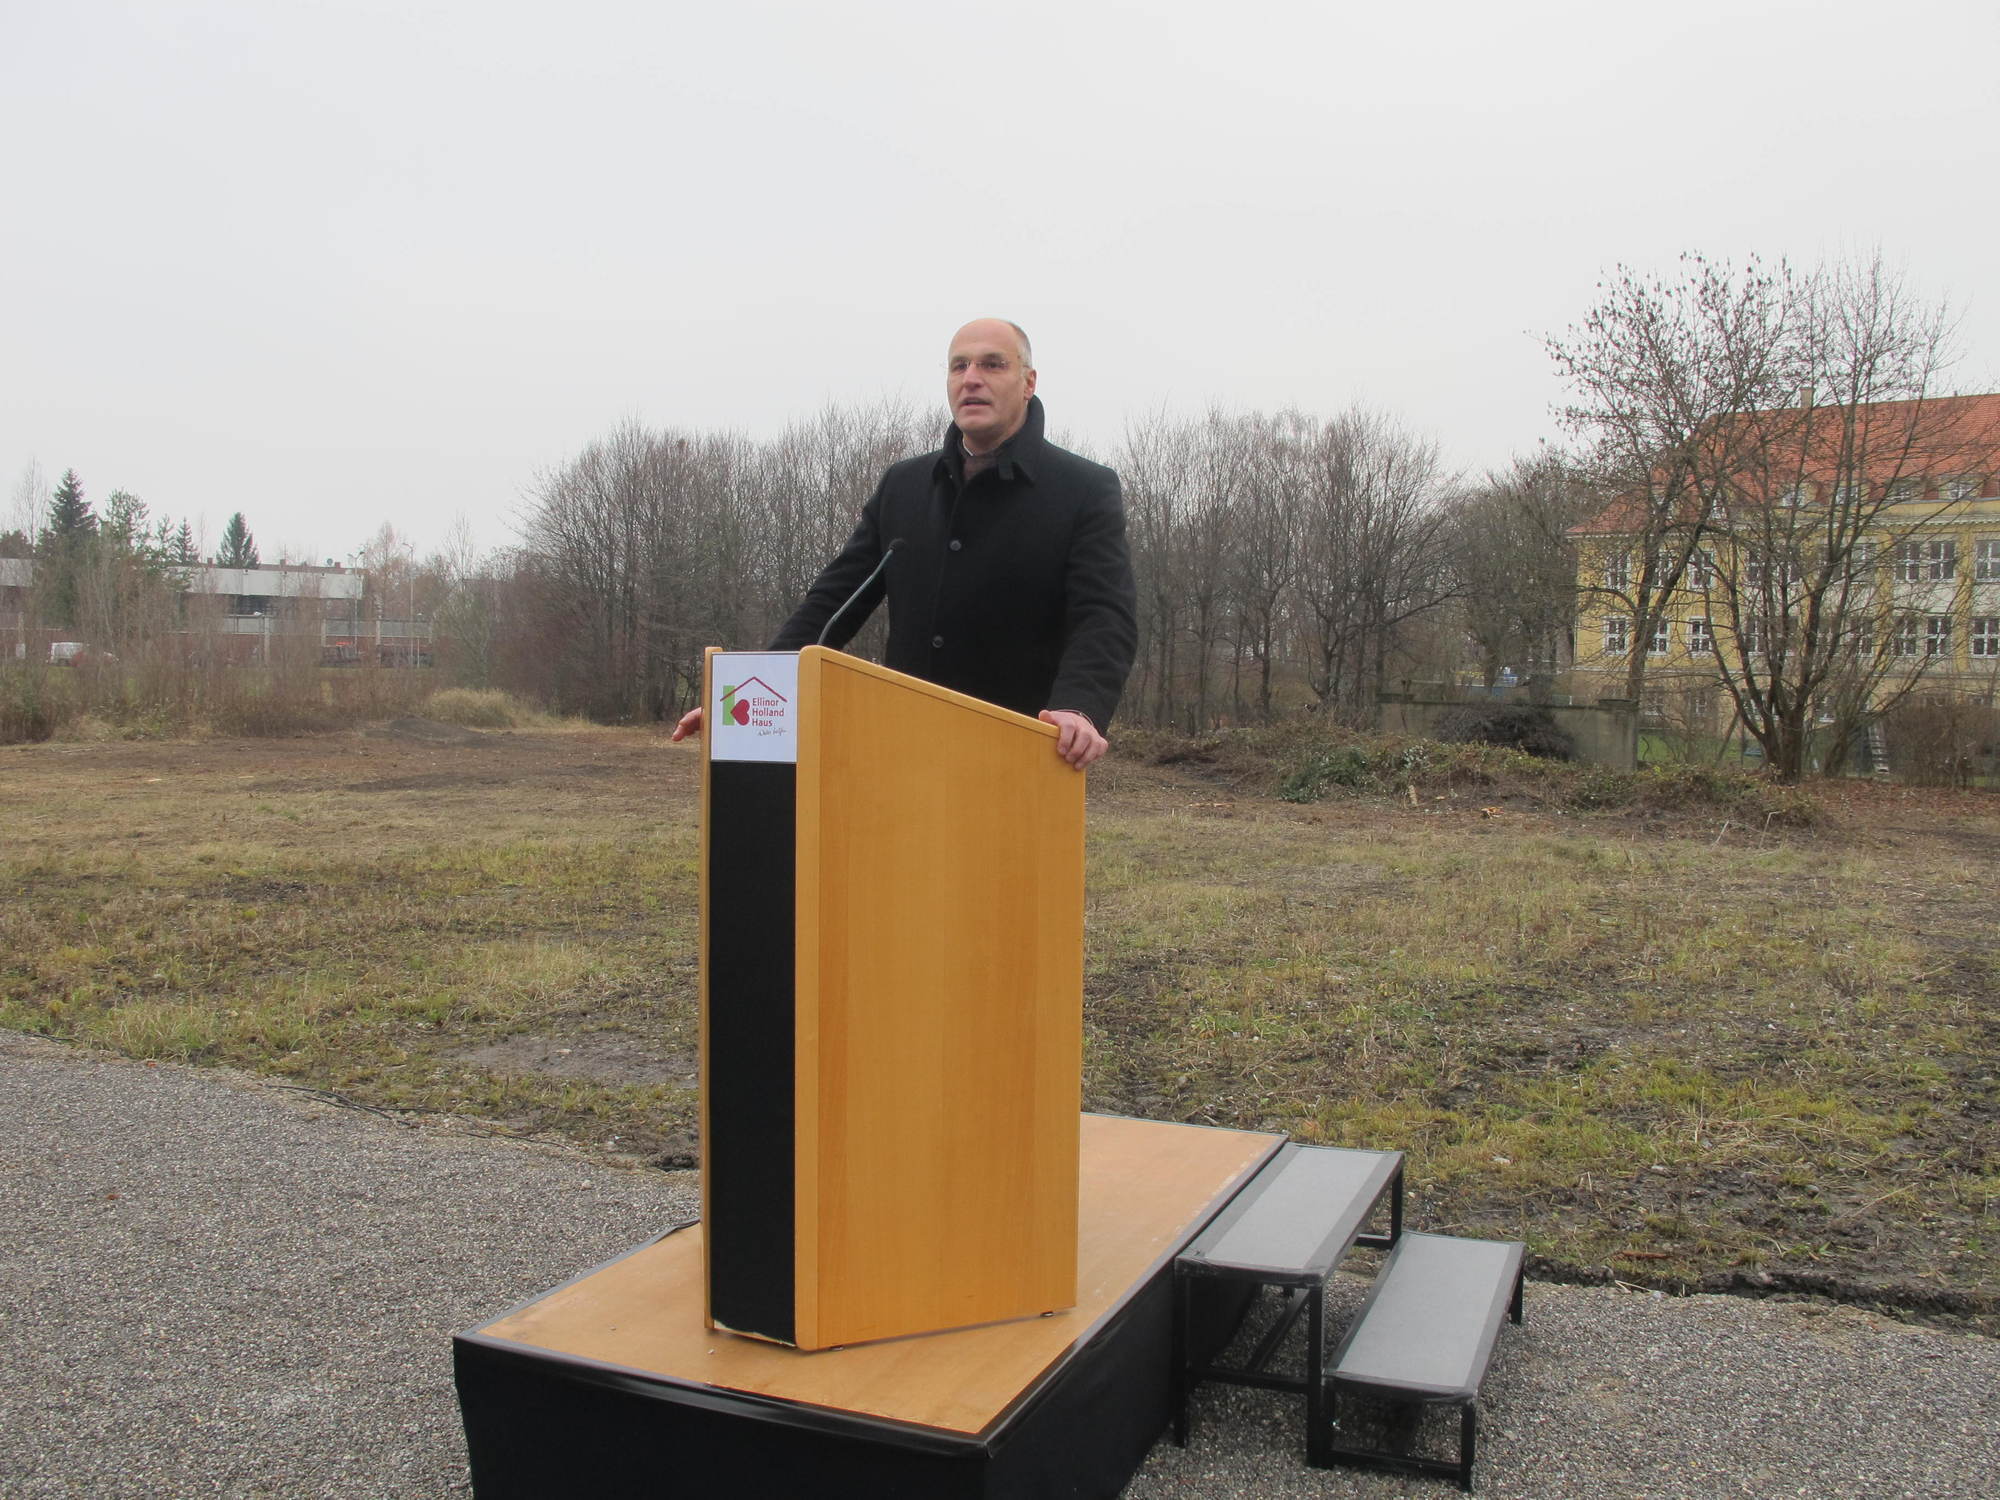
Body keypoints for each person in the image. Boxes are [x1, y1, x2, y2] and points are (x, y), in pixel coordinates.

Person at [672, 318, 1137, 768]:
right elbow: (833, 602)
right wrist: (752, 694)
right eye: (959, 366)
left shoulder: (1083, 488)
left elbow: (1105, 615)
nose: (971, 379)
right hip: (903, 751)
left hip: (1021, 751)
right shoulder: (905, 485)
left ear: (1028, 381)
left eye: (992, 365)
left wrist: (1079, 707)